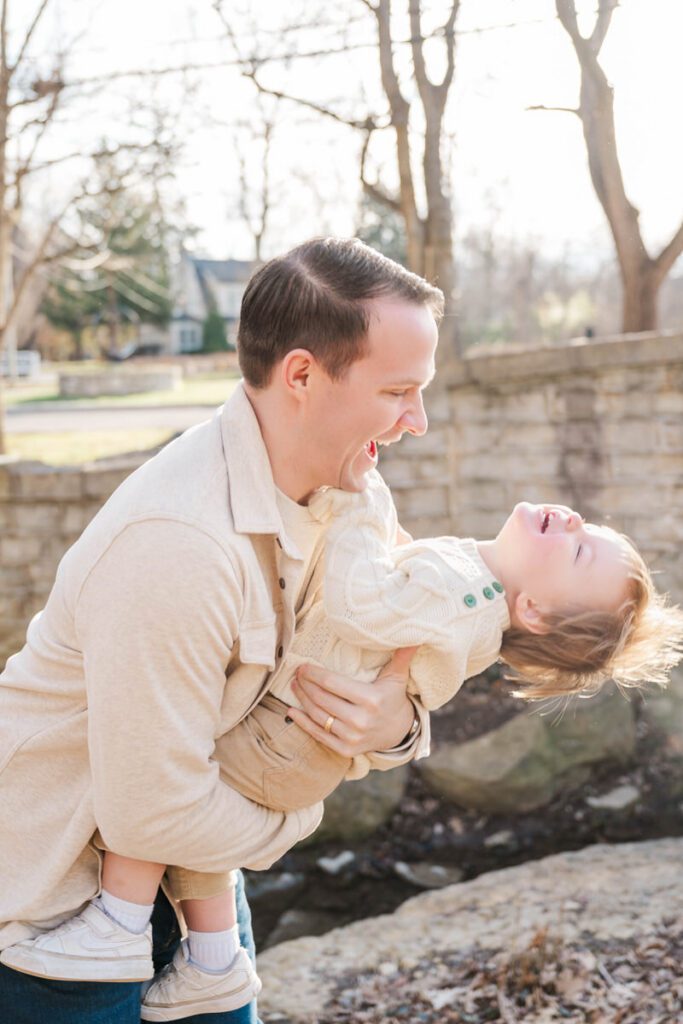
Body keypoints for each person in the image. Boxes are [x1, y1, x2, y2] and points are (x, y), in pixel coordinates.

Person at [6, 472, 683, 1020]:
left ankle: (117, 926)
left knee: (164, 791)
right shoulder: (473, 588)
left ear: (531, 610)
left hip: (284, 740)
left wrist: (362, 500)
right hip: (301, 750)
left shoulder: (467, 592)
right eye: (590, 529)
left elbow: (364, 602)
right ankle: (212, 960)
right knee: (193, 831)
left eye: (578, 549)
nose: (572, 521)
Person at [0, 237, 443, 1024]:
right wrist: (301, 815)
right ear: (301, 375)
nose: (418, 420)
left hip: (197, 888)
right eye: (398, 392)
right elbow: (154, 814)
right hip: (51, 926)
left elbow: (383, 661)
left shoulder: (350, 494)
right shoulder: (178, 540)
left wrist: (396, 726)